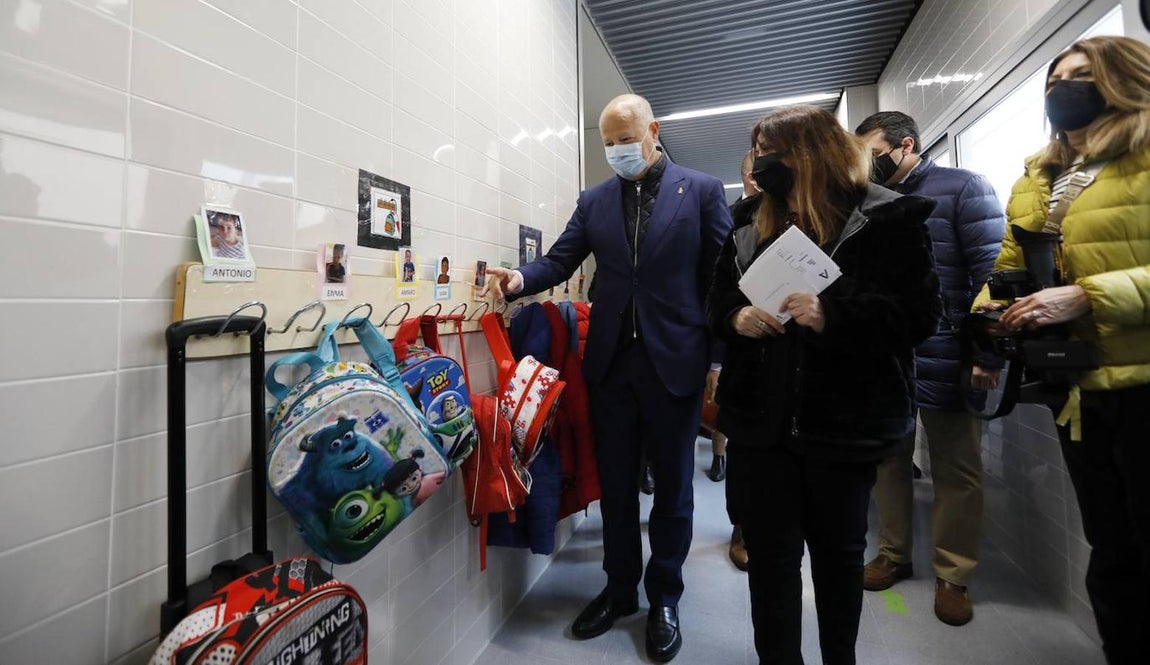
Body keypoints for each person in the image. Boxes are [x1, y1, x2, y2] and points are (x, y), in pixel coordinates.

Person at [482, 93, 732, 662]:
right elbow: (560, 260)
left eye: (626, 138)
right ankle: (621, 590)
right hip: (612, 365)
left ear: (653, 131)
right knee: (616, 486)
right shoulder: (593, 201)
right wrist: (520, 277)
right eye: (608, 143)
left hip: (677, 361)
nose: (617, 150)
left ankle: (665, 596)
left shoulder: (701, 191)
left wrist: (716, 360)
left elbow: (721, 281)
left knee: (673, 489)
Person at [708, 105, 940, 665]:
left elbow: (919, 316)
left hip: (844, 426)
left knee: (838, 562)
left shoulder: (885, 220)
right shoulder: (746, 223)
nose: (762, 163)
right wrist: (737, 319)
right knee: (770, 561)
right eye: (758, 151)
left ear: (812, 153)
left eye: (773, 151)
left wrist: (832, 316)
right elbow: (719, 304)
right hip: (761, 426)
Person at [971, 36, 1150, 664]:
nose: (1064, 89)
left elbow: (1083, 289)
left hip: (1143, 384)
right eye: (1055, 80)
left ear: (1124, 81)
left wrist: (1087, 297)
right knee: (1114, 557)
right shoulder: (1039, 177)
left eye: (1083, 76)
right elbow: (1010, 264)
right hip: (1079, 392)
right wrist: (989, 316)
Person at [854, 111, 1005, 626]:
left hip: (949, 352)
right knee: (888, 459)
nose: (867, 165)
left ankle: (953, 574)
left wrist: (987, 353)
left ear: (906, 145)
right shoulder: (868, 205)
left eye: (873, 152)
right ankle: (893, 554)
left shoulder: (962, 189)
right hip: (886, 356)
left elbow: (993, 275)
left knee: (956, 466)